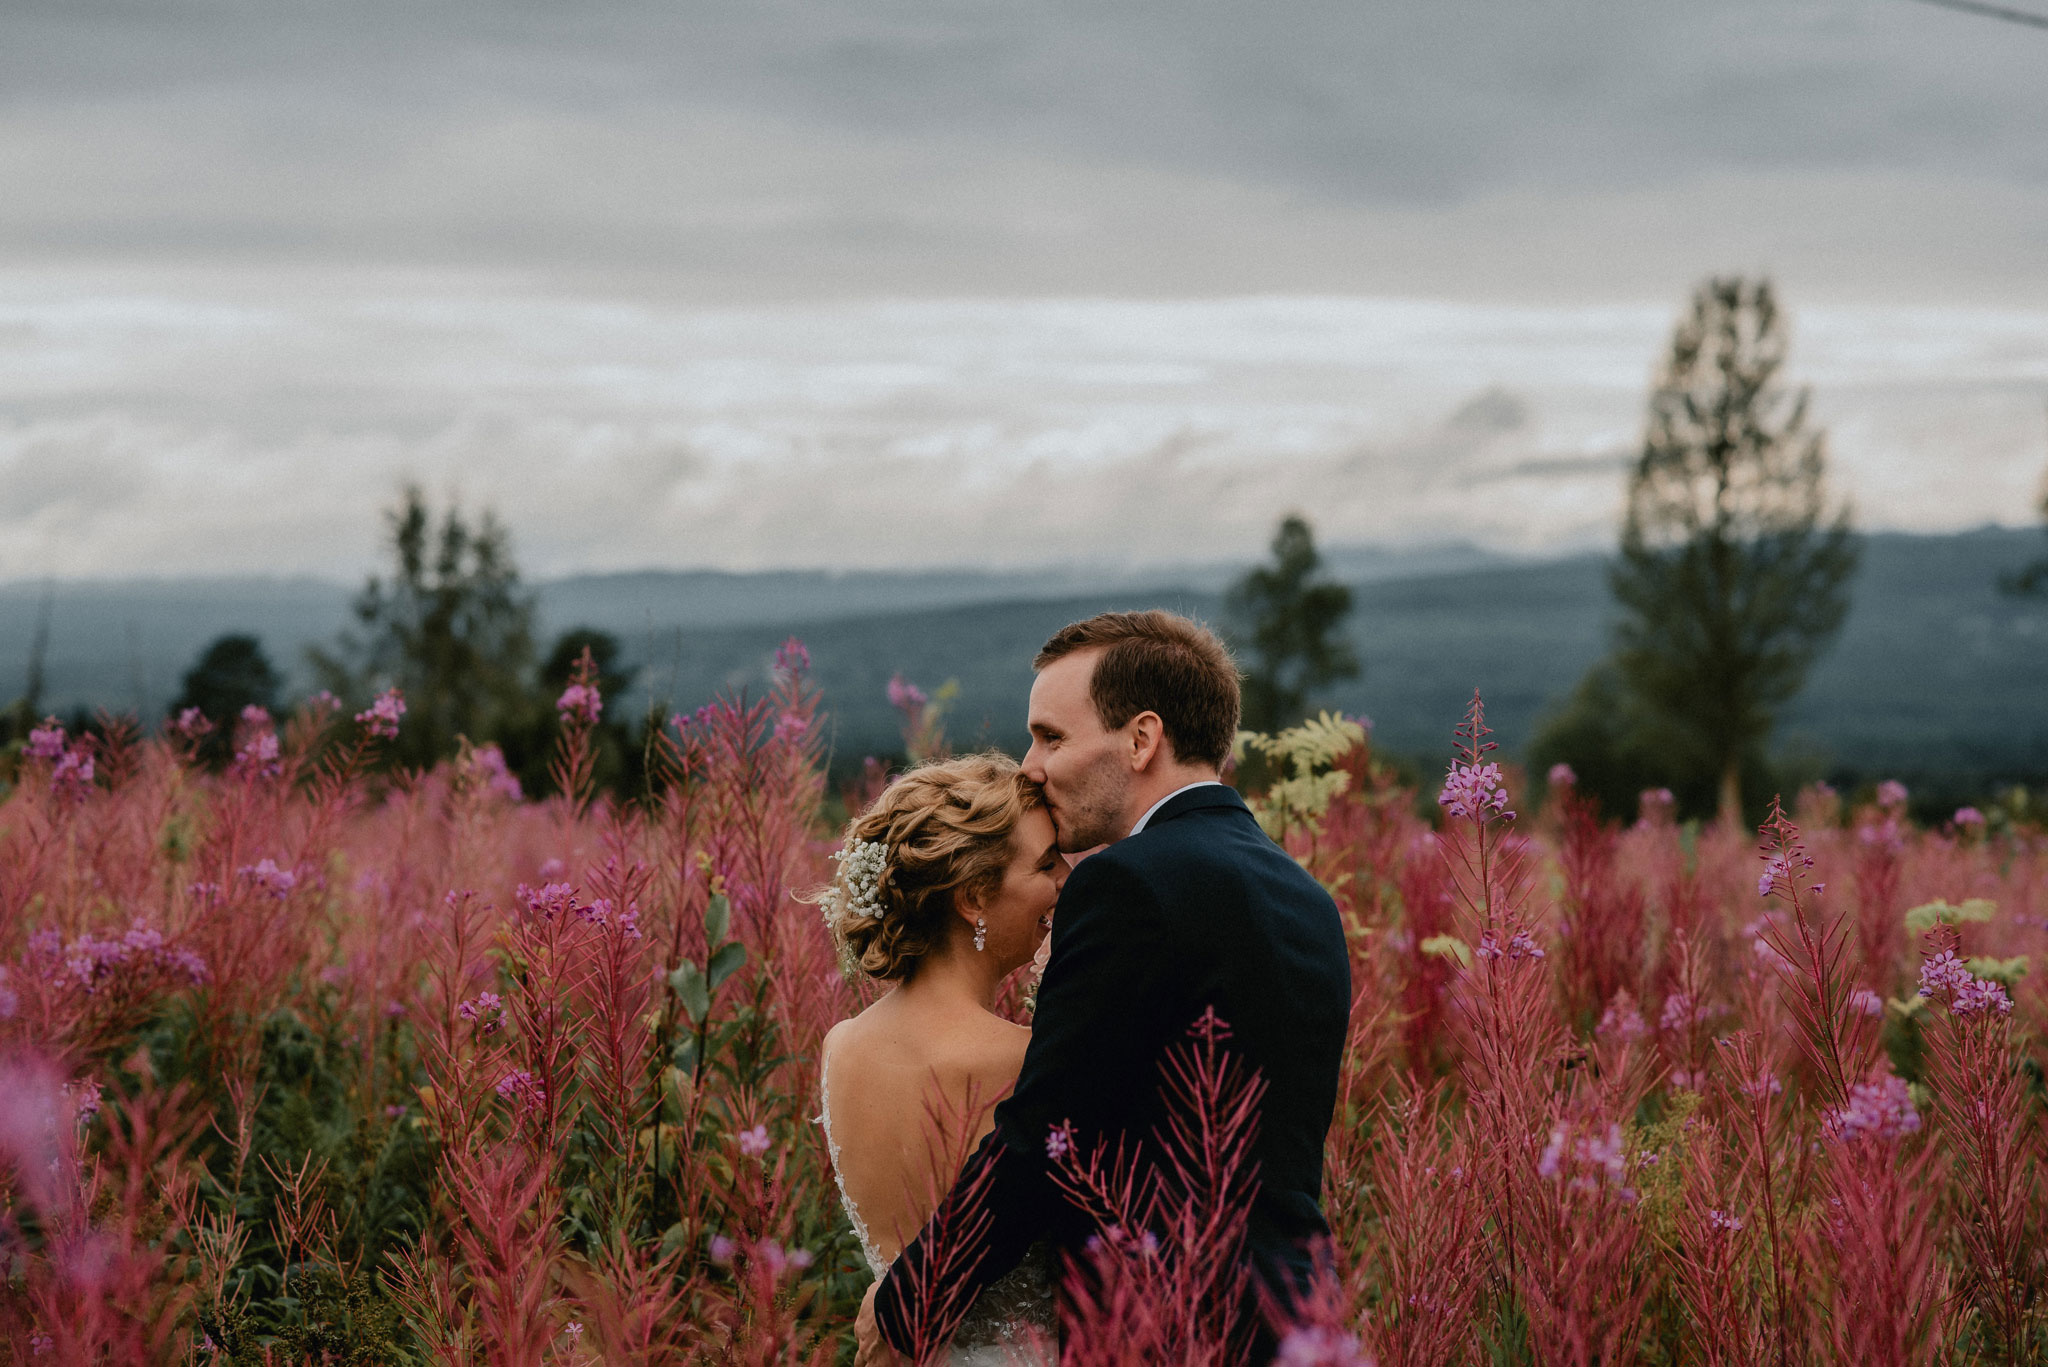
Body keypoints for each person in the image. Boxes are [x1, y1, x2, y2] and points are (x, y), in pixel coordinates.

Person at [854, 610, 1353, 1366]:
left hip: (1163, 1327)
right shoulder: (1306, 898)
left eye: (1051, 736)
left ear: (1141, 739)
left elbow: (1048, 1135)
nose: (1030, 764)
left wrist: (909, 1303)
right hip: (1299, 1323)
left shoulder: (1128, 885)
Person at [816, 752, 1068, 1363]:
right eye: (1046, 864)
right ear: (974, 896)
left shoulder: (841, 1046)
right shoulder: (1026, 1060)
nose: (1067, 879)